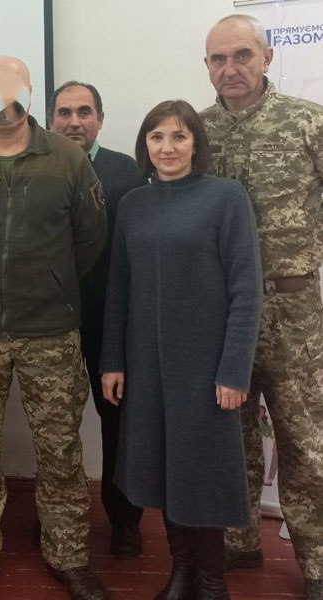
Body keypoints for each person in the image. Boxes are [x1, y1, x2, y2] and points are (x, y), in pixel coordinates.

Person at [0, 56, 108, 600]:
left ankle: (69, 555)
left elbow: (90, 237)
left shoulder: (68, 159)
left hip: (50, 331)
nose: (3, 102)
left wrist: (53, 282)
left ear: (30, 94)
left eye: (13, 91)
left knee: (60, 451)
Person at [101, 99, 262, 599]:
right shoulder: (133, 204)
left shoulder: (226, 197)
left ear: (196, 143)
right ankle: (182, 571)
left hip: (206, 367)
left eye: (178, 136)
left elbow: (246, 289)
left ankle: (212, 582)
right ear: (144, 146)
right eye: (157, 137)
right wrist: (113, 361)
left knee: (201, 473)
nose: (167, 147)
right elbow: (118, 288)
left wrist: (234, 370)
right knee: (161, 468)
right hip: (146, 365)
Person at [199, 16, 323, 598]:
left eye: (242, 55)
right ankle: (237, 540)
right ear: (207, 66)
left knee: (307, 443)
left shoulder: (308, 123)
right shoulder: (195, 133)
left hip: (293, 313)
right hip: (223, 314)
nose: (231, 68)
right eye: (218, 59)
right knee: (232, 436)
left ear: (268, 57)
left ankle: (318, 563)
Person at [48, 80, 146, 558]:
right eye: (64, 112)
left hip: (112, 324)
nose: (74, 122)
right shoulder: (37, 169)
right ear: (50, 121)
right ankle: (57, 515)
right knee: (56, 427)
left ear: (100, 120)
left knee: (118, 423)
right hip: (52, 322)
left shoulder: (126, 172)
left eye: (84, 112)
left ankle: (124, 520)